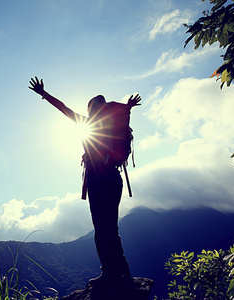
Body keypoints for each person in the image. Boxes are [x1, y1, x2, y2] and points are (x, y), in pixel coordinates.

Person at [28, 76, 141, 284]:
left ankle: (109, 272)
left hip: (98, 180)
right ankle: (122, 272)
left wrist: (44, 94)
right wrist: (129, 106)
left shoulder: (88, 123)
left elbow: (63, 108)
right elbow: (124, 122)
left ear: (92, 110)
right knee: (111, 228)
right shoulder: (116, 124)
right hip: (115, 178)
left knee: (101, 228)